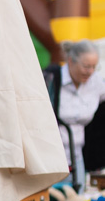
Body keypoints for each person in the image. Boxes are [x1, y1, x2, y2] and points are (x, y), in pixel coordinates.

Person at [42, 40, 104, 188]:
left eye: (94, 67)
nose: (90, 71)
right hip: (50, 155)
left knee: (78, 194)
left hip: (77, 156)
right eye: (86, 66)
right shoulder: (51, 78)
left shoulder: (96, 82)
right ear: (70, 61)